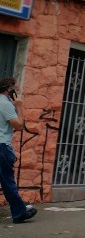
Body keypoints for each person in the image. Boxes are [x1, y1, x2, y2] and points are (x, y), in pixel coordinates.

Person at [0, 77, 37, 224]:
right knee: (8, 182)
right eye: (17, 88)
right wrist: (19, 106)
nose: (19, 90)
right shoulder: (5, 104)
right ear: (10, 90)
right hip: (2, 146)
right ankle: (20, 212)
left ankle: (20, 208)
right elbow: (19, 126)